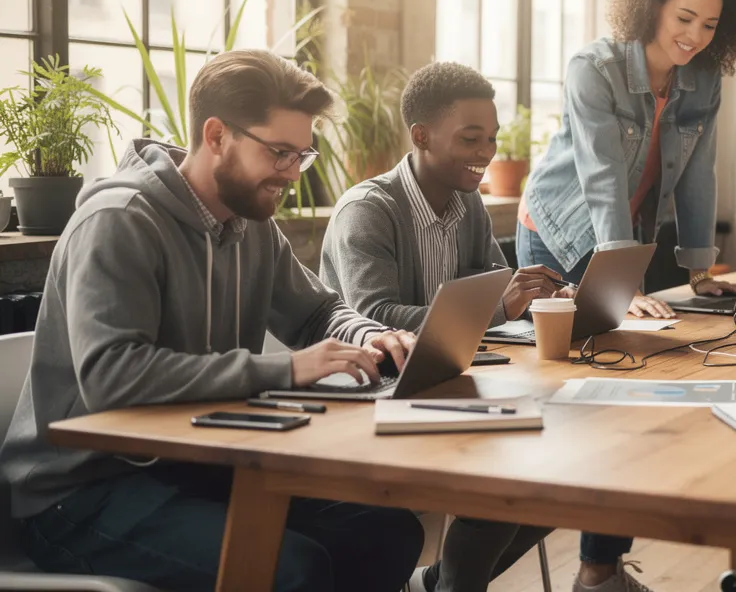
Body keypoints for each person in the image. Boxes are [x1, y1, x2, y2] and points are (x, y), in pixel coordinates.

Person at [0, 50, 425, 592]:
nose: (292, 174)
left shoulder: (251, 224)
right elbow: (113, 378)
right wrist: (285, 370)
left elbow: (316, 309)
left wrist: (369, 334)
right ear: (218, 135)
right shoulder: (119, 222)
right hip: (80, 492)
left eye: (302, 156)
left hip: (188, 468)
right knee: (294, 568)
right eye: (279, 153)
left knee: (386, 533)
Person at [517, 0, 736, 591]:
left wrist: (701, 267)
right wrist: (619, 281)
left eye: (710, 25)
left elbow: (699, 174)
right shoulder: (590, 68)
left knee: (624, 389)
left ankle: (599, 568)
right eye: (684, 18)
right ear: (652, 5)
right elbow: (599, 178)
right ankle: (486, 560)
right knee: (581, 390)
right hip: (560, 231)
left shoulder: (703, 78)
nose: (695, 37)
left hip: (626, 240)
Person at [320, 60, 560, 592]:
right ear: (421, 136)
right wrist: (500, 304)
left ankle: (440, 584)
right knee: (505, 480)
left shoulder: (467, 202)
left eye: (492, 139)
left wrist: (520, 294)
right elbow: (372, 316)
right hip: (371, 392)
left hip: (446, 379)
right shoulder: (368, 209)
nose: (485, 153)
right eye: (470, 138)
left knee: (558, 475)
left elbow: (479, 291)